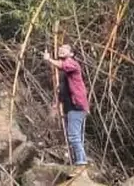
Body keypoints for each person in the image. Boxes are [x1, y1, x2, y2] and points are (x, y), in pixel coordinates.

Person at [43, 44, 89, 172]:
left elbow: (64, 65)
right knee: (75, 136)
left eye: (65, 49)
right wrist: (55, 105)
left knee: (74, 136)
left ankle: (81, 163)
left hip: (77, 106)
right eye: (60, 48)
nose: (61, 49)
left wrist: (49, 59)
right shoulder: (64, 75)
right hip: (70, 107)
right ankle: (80, 161)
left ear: (72, 54)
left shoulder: (73, 64)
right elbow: (61, 91)